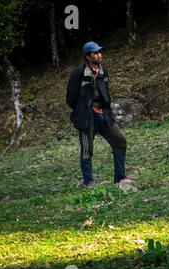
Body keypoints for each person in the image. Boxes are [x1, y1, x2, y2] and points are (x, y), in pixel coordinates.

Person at [66, 41, 135, 189]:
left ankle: (120, 177)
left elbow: (105, 93)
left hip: (103, 114)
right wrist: (82, 110)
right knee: (87, 150)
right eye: (95, 53)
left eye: (100, 52)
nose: (99, 55)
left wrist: (105, 109)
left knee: (120, 142)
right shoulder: (78, 73)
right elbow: (70, 98)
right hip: (86, 117)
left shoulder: (103, 70)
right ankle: (88, 181)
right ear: (87, 56)